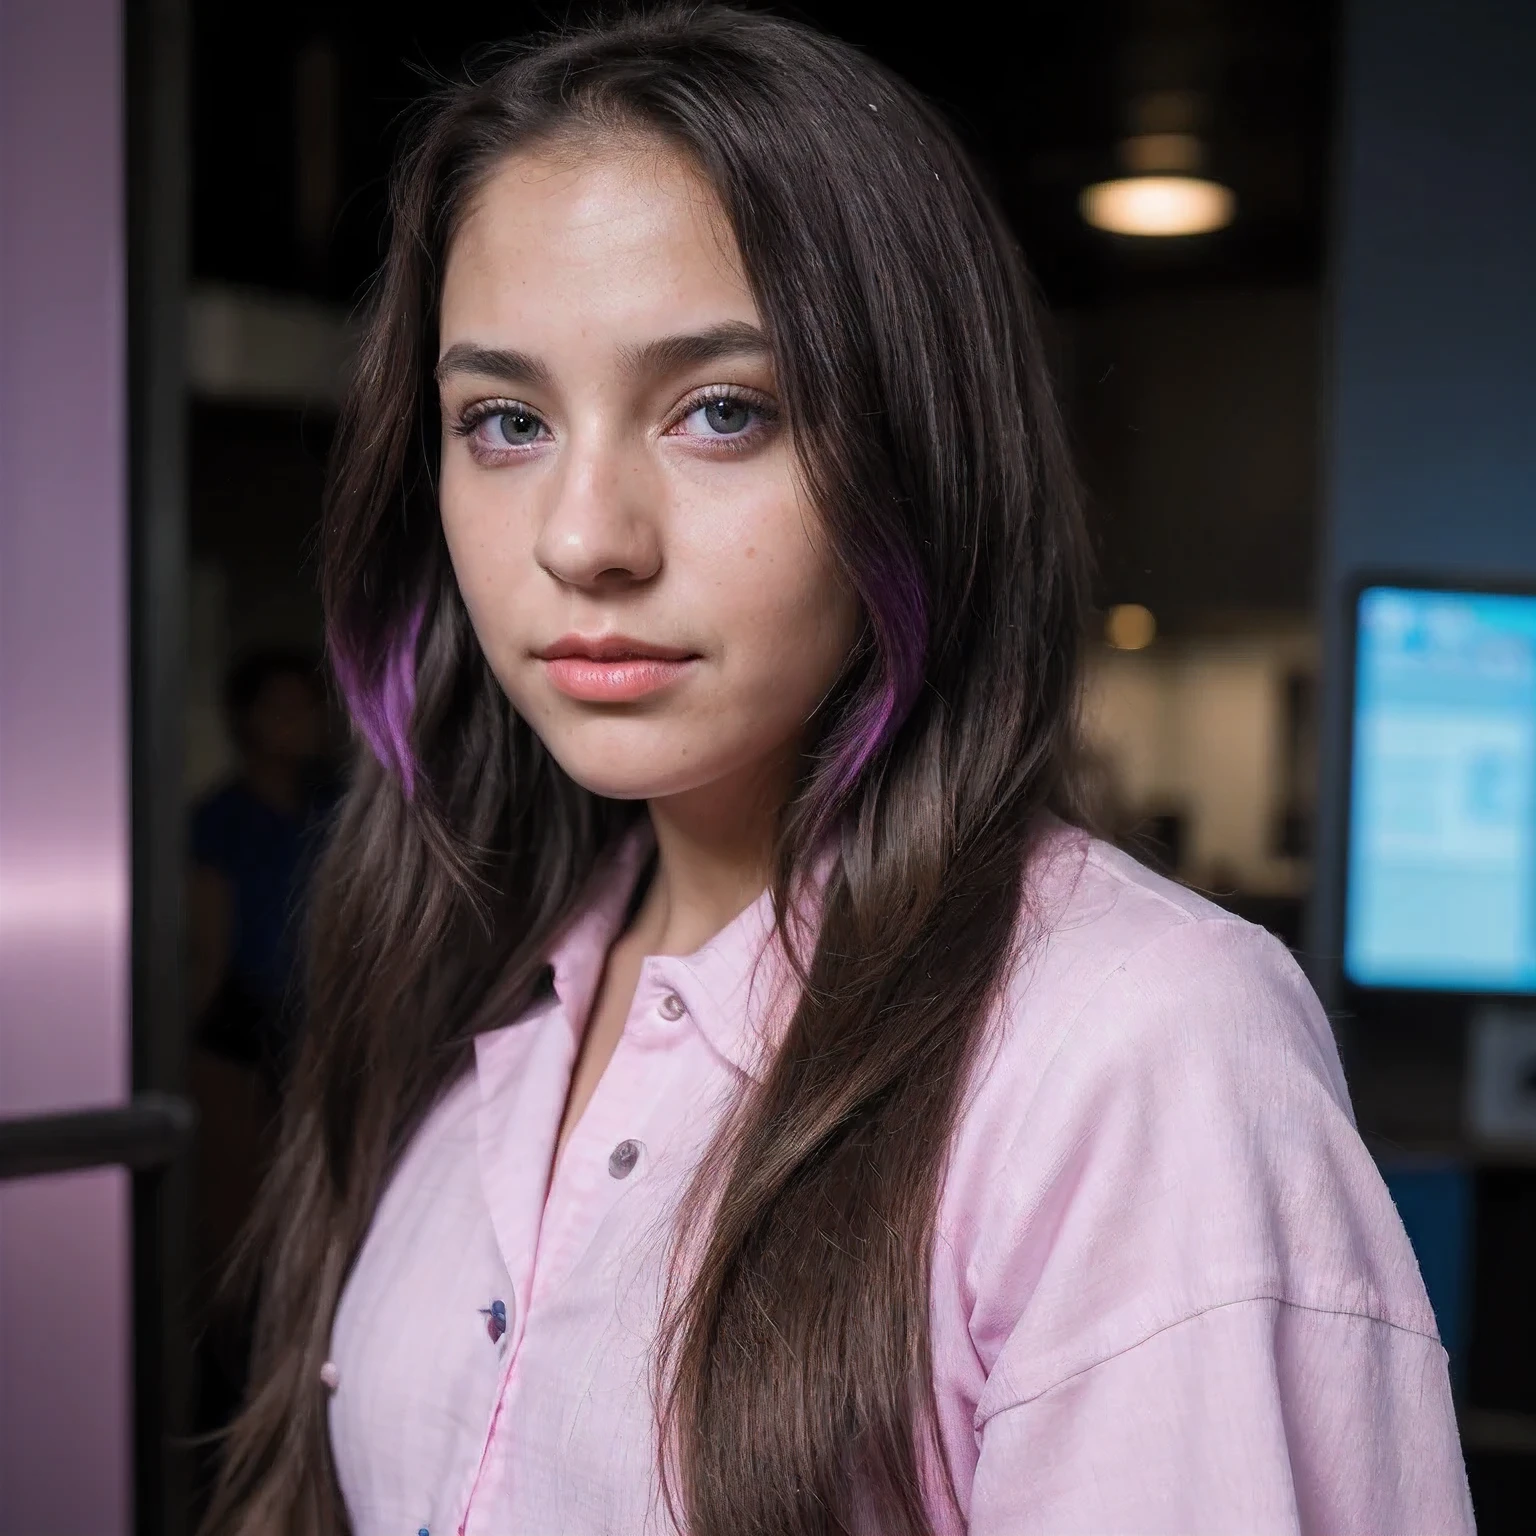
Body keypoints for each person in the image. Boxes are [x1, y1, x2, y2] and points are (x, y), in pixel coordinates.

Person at [205, 9, 1473, 1535]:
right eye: (506, 421)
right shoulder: (462, 962)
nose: (583, 536)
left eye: (721, 410)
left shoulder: (1130, 1049)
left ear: (916, 447)